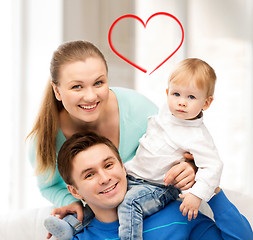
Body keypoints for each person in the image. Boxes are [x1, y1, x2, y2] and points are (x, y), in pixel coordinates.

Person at [27, 40, 196, 239]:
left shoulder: (139, 110)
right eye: (77, 87)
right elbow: (49, 185)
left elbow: (183, 148)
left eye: (98, 83)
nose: (90, 96)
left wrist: (190, 167)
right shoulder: (44, 140)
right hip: (102, 216)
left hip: (152, 203)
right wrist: (71, 202)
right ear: (57, 91)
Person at [57, 131, 252, 240]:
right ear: (74, 191)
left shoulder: (179, 214)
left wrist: (209, 186)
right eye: (89, 174)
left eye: (109, 165)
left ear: (123, 168)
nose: (105, 178)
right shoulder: (78, 237)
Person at [119, 58, 223, 239]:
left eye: (191, 97)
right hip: (131, 175)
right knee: (103, 198)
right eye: (176, 94)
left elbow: (213, 166)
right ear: (167, 93)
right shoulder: (166, 111)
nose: (182, 102)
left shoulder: (198, 136)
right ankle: (72, 225)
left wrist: (196, 195)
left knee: (130, 204)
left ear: (206, 103)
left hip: (158, 187)